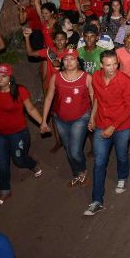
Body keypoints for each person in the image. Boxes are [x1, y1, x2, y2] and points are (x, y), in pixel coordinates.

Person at [84, 50, 130, 216]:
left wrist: (113, 126)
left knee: (121, 155)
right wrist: (92, 117)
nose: (112, 68)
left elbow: (129, 108)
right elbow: (97, 99)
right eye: (108, 65)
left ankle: (122, 177)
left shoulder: (126, 82)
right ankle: (97, 200)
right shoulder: (96, 78)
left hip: (121, 126)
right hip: (101, 123)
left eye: (114, 64)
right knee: (99, 162)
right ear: (101, 65)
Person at [0, 64, 43, 206]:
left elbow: (30, 109)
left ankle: (33, 164)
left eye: (3, 76)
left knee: (19, 160)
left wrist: (42, 123)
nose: (0, 79)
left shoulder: (20, 91)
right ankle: (5, 190)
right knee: (1, 162)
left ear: (10, 78)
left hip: (18, 133)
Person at [40, 49, 93, 187]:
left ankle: (83, 171)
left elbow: (94, 98)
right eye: (66, 59)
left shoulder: (86, 77)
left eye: (72, 59)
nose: (69, 62)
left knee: (75, 151)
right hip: (60, 118)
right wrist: (43, 121)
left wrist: (93, 118)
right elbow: (49, 98)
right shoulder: (56, 77)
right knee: (69, 149)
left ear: (78, 61)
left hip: (81, 117)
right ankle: (76, 174)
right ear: (62, 61)